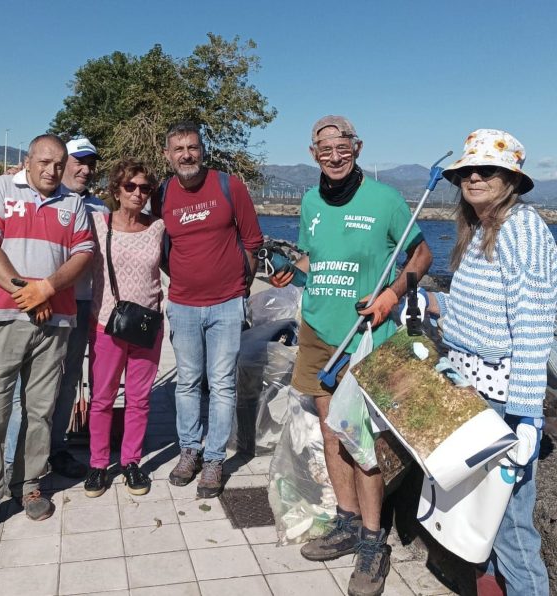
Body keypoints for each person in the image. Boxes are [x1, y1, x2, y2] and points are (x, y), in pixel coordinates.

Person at [270, 115, 432, 596]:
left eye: (343, 147)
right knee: (330, 429)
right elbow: (314, 258)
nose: (334, 155)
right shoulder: (309, 200)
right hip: (319, 331)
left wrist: (394, 294)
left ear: (357, 148)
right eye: (325, 149)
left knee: (361, 440)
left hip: (364, 333)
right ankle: (345, 520)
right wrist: (290, 269)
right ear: (313, 153)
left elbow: (421, 255)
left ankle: (371, 540)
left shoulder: (385, 200)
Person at [421, 129, 557, 596]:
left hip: (502, 398)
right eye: (467, 171)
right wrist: (428, 303)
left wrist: (526, 415)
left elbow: (533, 321)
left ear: (512, 181)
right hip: (470, 386)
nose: (474, 176)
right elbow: (481, 309)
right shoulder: (478, 227)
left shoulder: (523, 228)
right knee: (478, 511)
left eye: (489, 170)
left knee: (510, 523)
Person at [0, 134, 94, 549]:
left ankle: (29, 484)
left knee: (40, 410)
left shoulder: (74, 204)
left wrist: (47, 289)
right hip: (2, 319)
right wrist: (26, 294)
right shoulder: (2, 189)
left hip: (55, 323)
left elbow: (83, 255)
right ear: (28, 161)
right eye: (45, 162)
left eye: (59, 164)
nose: (52, 170)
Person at [157, 121, 263, 499]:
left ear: (203, 150)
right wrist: (185, 280)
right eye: (179, 149)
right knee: (187, 382)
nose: (187, 154)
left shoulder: (228, 186)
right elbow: (162, 247)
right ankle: (190, 451)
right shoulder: (163, 193)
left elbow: (252, 240)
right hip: (183, 305)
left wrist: (239, 287)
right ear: (168, 156)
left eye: (193, 147)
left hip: (226, 305)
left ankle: (214, 458)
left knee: (221, 384)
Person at [1, 137, 106, 480]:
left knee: (68, 380)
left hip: (81, 303)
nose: (85, 170)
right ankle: (13, 459)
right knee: (24, 386)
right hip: (37, 301)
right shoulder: (26, 197)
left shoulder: (100, 209)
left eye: (90, 163)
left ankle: (55, 450)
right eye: (78, 161)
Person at [83, 159, 165, 497]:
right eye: (130, 186)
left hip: (147, 326)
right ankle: (99, 465)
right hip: (107, 324)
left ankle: (132, 462)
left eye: (144, 188)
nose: (137, 193)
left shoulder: (158, 227)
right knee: (101, 399)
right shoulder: (98, 224)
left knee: (139, 399)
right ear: (116, 189)